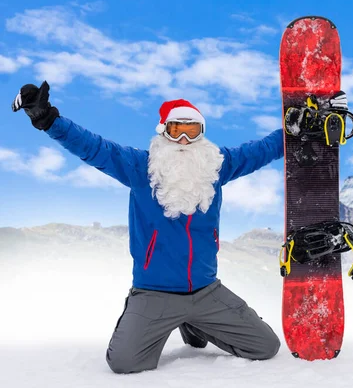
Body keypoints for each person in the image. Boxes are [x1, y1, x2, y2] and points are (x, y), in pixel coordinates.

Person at [11, 81, 287, 374]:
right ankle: (172, 319)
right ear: (163, 133)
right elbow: (94, 147)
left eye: (191, 131)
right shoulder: (140, 167)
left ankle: (195, 322)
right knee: (124, 362)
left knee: (265, 347)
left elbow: (260, 151)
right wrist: (49, 120)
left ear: (201, 135)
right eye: (175, 130)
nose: (183, 140)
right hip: (154, 294)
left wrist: (291, 133)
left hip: (207, 291)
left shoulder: (216, 167)